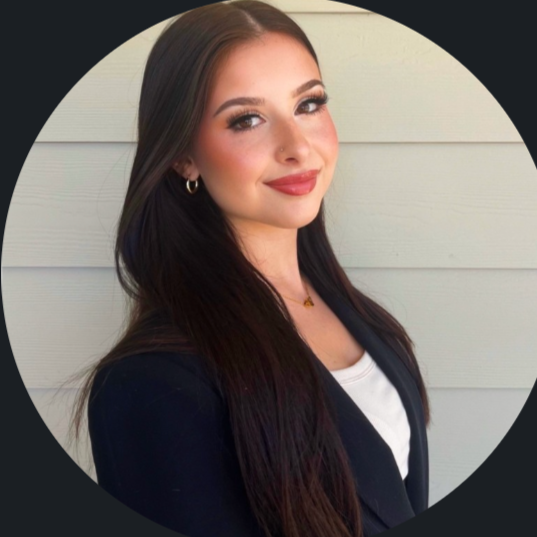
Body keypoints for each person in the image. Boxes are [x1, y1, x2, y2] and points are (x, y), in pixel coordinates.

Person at [70, 2, 430, 536]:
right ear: (184, 156)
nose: (297, 147)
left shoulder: (362, 319)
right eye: (247, 119)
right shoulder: (153, 382)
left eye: (308, 104)